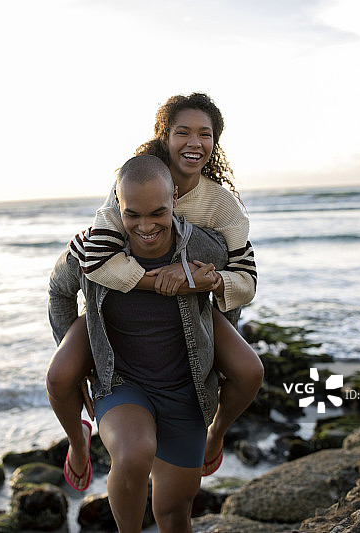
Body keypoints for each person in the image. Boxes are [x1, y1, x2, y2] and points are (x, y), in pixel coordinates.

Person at [46, 93, 263, 493]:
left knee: (250, 371)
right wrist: (160, 280)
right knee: (60, 375)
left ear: (215, 142)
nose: (193, 143)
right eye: (182, 132)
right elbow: (94, 261)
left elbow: (245, 279)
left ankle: (215, 434)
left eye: (205, 134)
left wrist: (207, 284)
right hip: (123, 309)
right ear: (164, 136)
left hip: (196, 302)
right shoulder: (130, 188)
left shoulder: (222, 208)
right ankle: (79, 441)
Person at [49, 154, 239, 532]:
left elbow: (232, 289)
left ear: (174, 203)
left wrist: (216, 342)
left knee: (173, 516)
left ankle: (211, 435)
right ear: (116, 206)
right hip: (122, 384)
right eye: (132, 214)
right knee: (133, 454)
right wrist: (82, 346)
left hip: (185, 391)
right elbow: (59, 291)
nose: (146, 225)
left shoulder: (204, 246)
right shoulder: (92, 247)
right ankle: (79, 442)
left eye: (158, 212)